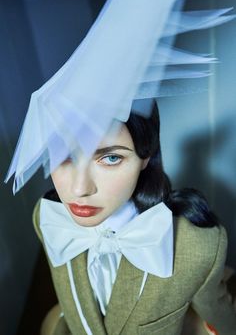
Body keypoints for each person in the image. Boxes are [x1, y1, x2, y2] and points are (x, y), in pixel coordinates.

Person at [32, 102, 236, 335]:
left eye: (110, 158)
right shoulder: (48, 217)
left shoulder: (197, 247)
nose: (79, 189)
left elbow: (222, 318)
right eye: (64, 155)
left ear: (145, 155)